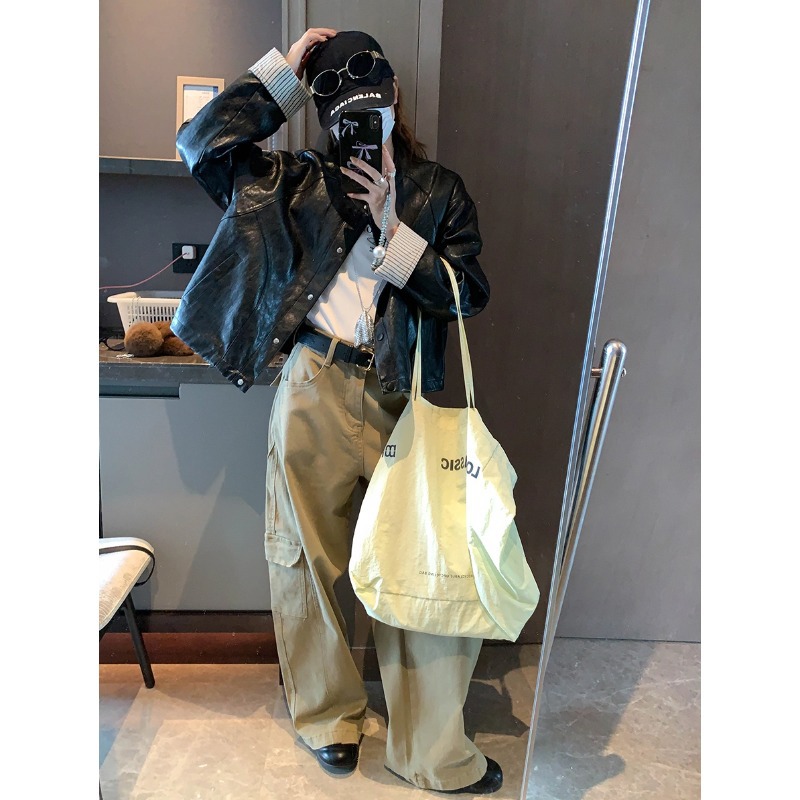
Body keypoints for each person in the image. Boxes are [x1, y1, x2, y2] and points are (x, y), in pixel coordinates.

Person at [173, 28, 499, 794]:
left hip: (400, 396)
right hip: (313, 385)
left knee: (416, 570)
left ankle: (428, 749)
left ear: (394, 96)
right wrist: (282, 75)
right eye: (335, 102)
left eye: (369, 99)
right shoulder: (290, 181)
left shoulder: (438, 190)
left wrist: (394, 231)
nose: (357, 117)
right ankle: (329, 719)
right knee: (304, 563)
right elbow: (200, 147)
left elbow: (469, 293)